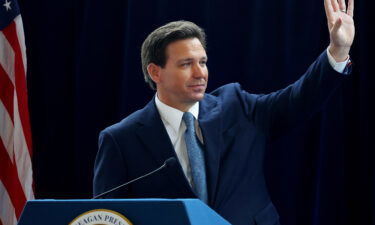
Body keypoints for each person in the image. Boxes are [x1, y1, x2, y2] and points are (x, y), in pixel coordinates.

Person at [93, 0, 355, 224]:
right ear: (155, 72)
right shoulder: (121, 139)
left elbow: (298, 100)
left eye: (203, 62)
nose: (200, 73)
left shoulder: (237, 106)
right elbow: (106, 217)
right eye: (186, 64)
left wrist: (338, 51)